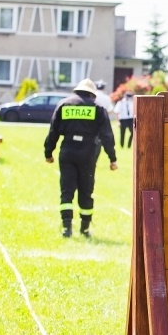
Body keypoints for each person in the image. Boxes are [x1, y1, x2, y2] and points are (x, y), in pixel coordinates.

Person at [44, 78, 118, 238]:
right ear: (92, 94)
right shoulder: (98, 108)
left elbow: (53, 132)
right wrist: (112, 158)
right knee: (86, 190)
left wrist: (48, 153)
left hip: (67, 150)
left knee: (66, 190)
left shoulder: (64, 105)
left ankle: (66, 227)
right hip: (88, 152)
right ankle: (84, 229)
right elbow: (106, 135)